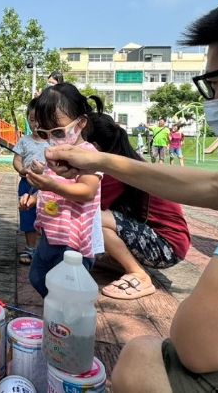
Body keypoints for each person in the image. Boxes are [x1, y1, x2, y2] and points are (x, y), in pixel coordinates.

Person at [46, 0, 218, 391]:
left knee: (144, 358)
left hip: (177, 272)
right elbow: (215, 188)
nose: (213, 100)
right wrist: (101, 161)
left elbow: (202, 345)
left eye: (214, 83)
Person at [86, 113, 190, 300]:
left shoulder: (117, 171)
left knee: (95, 218)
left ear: (94, 147)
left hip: (167, 247)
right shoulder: (124, 162)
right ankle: (123, 261)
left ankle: (138, 274)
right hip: (161, 239)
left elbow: (86, 205)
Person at [19, 84, 102, 297]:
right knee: (37, 278)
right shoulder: (56, 153)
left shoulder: (88, 154)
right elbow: (52, 186)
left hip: (73, 242)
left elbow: (87, 191)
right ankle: (59, 314)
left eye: (57, 131)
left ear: (81, 122)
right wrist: (35, 196)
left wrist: (50, 185)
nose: (52, 139)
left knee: (67, 292)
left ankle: (66, 318)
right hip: (50, 233)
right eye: (44, 134)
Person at [12, 97, 46, 265]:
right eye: (32, 120)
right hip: (27, 184)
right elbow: (17, 160)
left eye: (40, 120)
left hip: (47, 187)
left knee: (49, 215)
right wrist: (21, 169)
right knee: (27, 215)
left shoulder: (53, 142)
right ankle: (31, 247)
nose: (36, 124)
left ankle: (47, 248)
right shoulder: (24, 140)